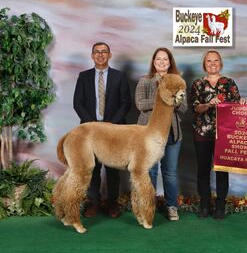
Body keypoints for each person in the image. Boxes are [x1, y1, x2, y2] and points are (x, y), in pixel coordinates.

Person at [73, 42, 131, 218]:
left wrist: (109, 126)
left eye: (104, 52)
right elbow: (78, 103)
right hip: (91, 131)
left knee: (113, 169)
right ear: (92, 56)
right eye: (97, 52)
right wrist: (94, 126)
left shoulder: (119, 76)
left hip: (114, 131)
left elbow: (125, 103)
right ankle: (94, 202)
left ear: (109, 55)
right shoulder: (83, 76)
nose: (100, 55)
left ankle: (112, 203)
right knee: (92, 168)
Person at [190, 49, 247, 220]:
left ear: (220, 64)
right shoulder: (197, 84)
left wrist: (243, 103)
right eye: (209, 61)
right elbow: (195, 108)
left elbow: (237, 105)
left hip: (225, 134)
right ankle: (205, 204)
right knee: (203, 170)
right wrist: (207, 104)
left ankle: (220, 205)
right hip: (202, 132)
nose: (213, 64)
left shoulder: (229, 82)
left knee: (222, 169)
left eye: (216, 61)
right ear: (204, 64)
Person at [135, 47, 187, 221]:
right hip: (149, 135)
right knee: (150, 172)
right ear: (153, 62)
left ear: (170, 62)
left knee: (170, 172)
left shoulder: (178, 81)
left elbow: (184, 107)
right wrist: (164, 96)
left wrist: (174, 97)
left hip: (172, 133)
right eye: (158, 59)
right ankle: (148, 206)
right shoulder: (145, 81)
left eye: (165, 59)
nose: (162, 62)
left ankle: (172, 207)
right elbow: (141, 104)